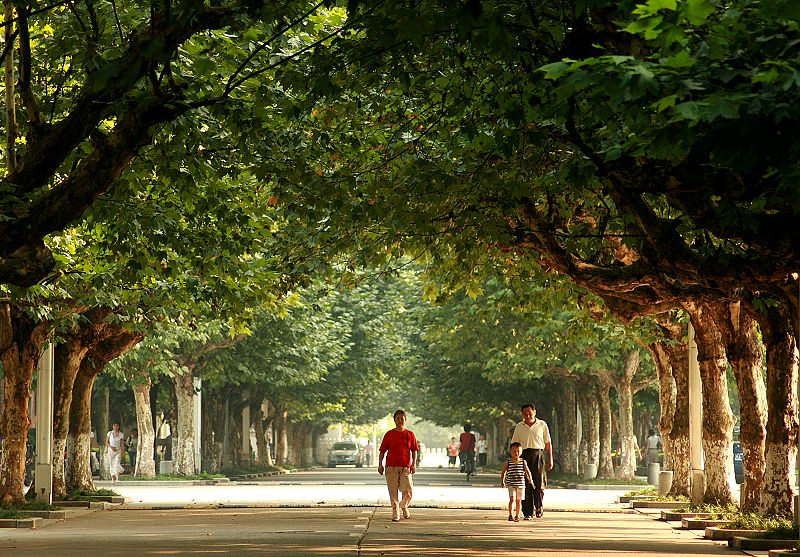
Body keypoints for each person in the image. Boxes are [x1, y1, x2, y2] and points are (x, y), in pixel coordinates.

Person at [511, 403, 553, 519]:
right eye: (525, 414)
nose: (528, 416)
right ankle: (527, 512)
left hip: (538, 455)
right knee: (525, 485)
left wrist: (550, 459)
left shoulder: (542, 425)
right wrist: (515, 459)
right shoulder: (519, 426)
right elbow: (515, 444)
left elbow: (548, 443)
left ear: (535, 412)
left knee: (539, 483)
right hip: (523, 456)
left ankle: (539, 507)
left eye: (530, 413)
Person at [378, 409, 418, 521]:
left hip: (406, 467)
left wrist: (414, 464)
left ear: (405, 420)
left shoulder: (410, 434)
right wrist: (380, 464)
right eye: (398, 418)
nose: (400, 420)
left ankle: (403, 505)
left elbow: (414, 450)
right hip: (391, 466)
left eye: (402, 418)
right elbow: (382, 451)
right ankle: (395, 511)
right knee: (393, 490)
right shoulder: (389, 434)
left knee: (408, 491)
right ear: (394, 420)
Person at [501, 441, 534, 522]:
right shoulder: (508, 462)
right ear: (510, 452)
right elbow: (503, 472)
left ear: (521, 452)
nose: (516, 453)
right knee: (512, 499)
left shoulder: (523, 462)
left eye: (518, 451)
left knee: (519, 501)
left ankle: (517, 515)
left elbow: (527, 471)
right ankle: (510, 515)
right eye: (514, 451)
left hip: (520, 484)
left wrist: (530, 479)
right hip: (511, 484)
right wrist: (503, 481)